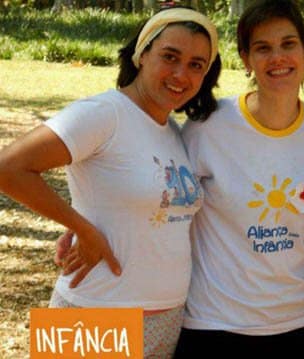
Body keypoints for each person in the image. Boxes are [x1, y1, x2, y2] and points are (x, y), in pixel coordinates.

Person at [0, 7, 221, 357]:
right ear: (142, 54)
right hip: (94, 312)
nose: (181, 73)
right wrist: (82, 228)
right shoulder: (104, 113)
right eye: (170, 56)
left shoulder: (174, 131)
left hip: (166, 316)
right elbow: (8, 168)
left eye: (197, 64)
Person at [173, 0, 304, 357]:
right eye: (263, 48)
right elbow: (159, 195)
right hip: (213, 325)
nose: (278, 57)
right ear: (246, 59)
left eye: (288, 44)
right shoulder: (208, 126)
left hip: (296, 324)